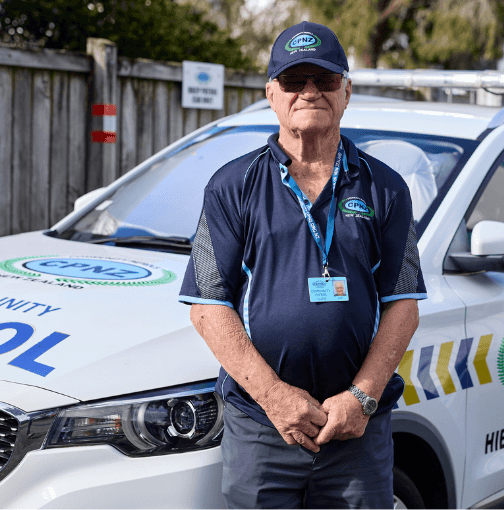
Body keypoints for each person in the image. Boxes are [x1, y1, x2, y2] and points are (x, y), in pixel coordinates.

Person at [179, 20, 427, 509]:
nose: (309, 92)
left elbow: (403, 305)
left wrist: (362, 397)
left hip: (356, 431)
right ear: (272, 94)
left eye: (325, 80)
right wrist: (274, 397)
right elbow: (208, 308)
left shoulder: (386, 187)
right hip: (262, 428)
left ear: (346, 91)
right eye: (294, 82)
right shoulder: (231, 186)